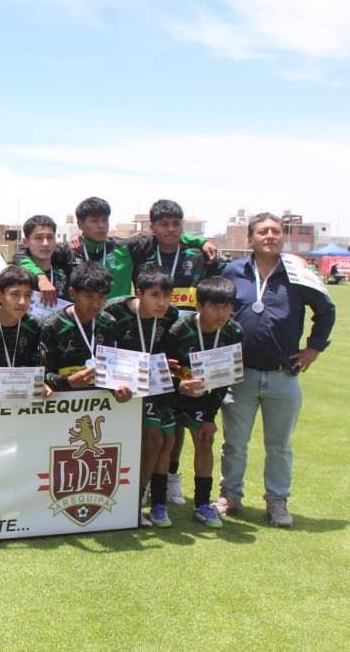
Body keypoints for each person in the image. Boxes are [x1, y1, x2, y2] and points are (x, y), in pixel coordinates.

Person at [217, 213, 336, 527]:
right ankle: (230, 495)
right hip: (239, 373)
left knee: (279, 445)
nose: (270, 236)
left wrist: (314, 347)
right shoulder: (232, 271)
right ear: (250, 238)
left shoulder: (297, 271)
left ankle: (277, 501)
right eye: (263, 231)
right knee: (234, 443)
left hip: (283, 374)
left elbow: (326, 309)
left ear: (281, 237)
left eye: (275, 231)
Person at [136, 199, 226, 507]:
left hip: (193, 344)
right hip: (155, 340)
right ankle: (147, 483)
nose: (171, 230)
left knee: (182, 419)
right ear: (153, 229)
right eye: (164, 224)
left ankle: (172, 477)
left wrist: (202, 240)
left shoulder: (196, 255)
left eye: (176, 224)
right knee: (158, 422)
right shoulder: (144, 253)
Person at [163, 276, 244, 528]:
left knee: (204, 440)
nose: (222, 313)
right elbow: (165, 368)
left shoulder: (234, 331)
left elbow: (225, 378)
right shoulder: (178, 329)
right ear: (200, 306)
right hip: (174, 396)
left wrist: (210, 417)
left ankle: (201, 504)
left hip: (203, 398)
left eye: (227, 307)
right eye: (215, 306)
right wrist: (179, 386)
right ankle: (159, 493)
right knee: (167, 440)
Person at [20, 196, 213, 302]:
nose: (101, 226)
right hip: (81, 322)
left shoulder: (125, 248)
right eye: (94, 221)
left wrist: (200, 242)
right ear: (80, 224)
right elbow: (22, 253)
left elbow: (165, 234)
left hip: (118, 324)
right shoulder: (70, 251)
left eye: (105, 220)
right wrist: (41, 277)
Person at [105, 267, 179, 527]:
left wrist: (172, 364)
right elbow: (102, 351)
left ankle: (154, 499)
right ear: (139, 293)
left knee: (166, 440)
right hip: (122, 389)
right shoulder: (114, 312)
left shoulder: (171, 316)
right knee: (151, 440)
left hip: (157, 385)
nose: (162, 303)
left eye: (167, 296)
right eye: (155, 295)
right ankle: (133, 501)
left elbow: (171, 350)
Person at [39, 262, 124, 394]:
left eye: (101, 297)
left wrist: (118, 390)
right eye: (89, 296)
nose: (95, 304)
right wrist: (68, 382)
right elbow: (41, 374)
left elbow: (114, 369)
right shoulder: (51, 326)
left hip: (101, 406)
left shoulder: (108, 323)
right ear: (73, 293)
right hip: (64, 405)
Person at [19, 215, 70, 304]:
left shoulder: (65, 275)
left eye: (50, 237)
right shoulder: (17, 276)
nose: (46, 243)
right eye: (39, 238)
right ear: (26, 242)